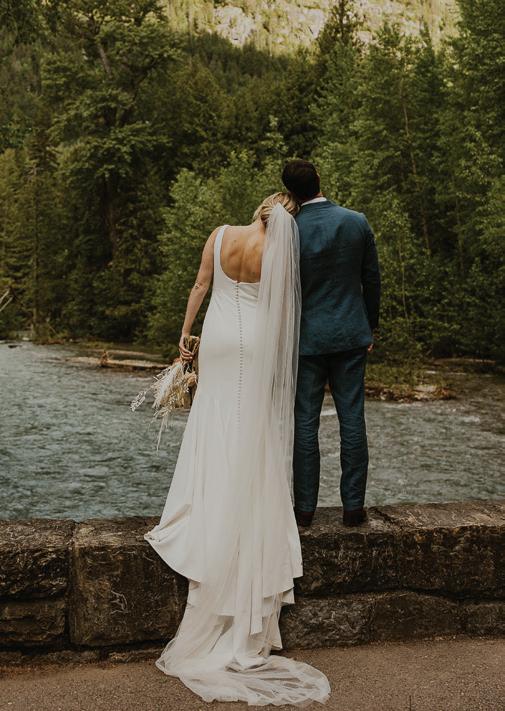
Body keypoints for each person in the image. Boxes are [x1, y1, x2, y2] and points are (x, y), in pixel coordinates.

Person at [144, 192, 331, 706]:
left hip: (220, 338)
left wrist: (186, 336)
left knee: (214, 417)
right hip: (259, 343)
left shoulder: (221, 235)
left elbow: (200, 285)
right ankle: (243, 505)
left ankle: (208, 499)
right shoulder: (280, 251)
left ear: (260, 208)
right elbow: (287, 307)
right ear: (288, 222)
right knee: (253, 424)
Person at [281, 159, 381, 529]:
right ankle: (353, 507)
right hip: (351, 334)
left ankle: (304, 510)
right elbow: (371, 279)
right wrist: (370, 326)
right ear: (319, 179)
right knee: (352, 418)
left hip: (306, 339)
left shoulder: (290, 230)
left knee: (305, 422)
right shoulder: (356, 221)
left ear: (290, 192)